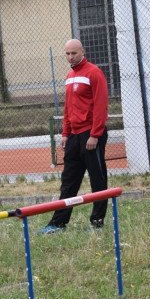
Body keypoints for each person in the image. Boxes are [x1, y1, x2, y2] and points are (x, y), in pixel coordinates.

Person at [39, 38, 110, 234]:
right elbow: (68, 107)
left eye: (74, 53)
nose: (70, 57)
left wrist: (95, 135)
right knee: (68, 180)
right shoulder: (70, 76)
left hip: (90, 135)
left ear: (82, 52)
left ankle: (97, 223)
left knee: (98, 180)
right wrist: (65, 133)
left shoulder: (94, 73)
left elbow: (101, 106)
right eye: (67, 54)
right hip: (74, 137)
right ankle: (58, 223)